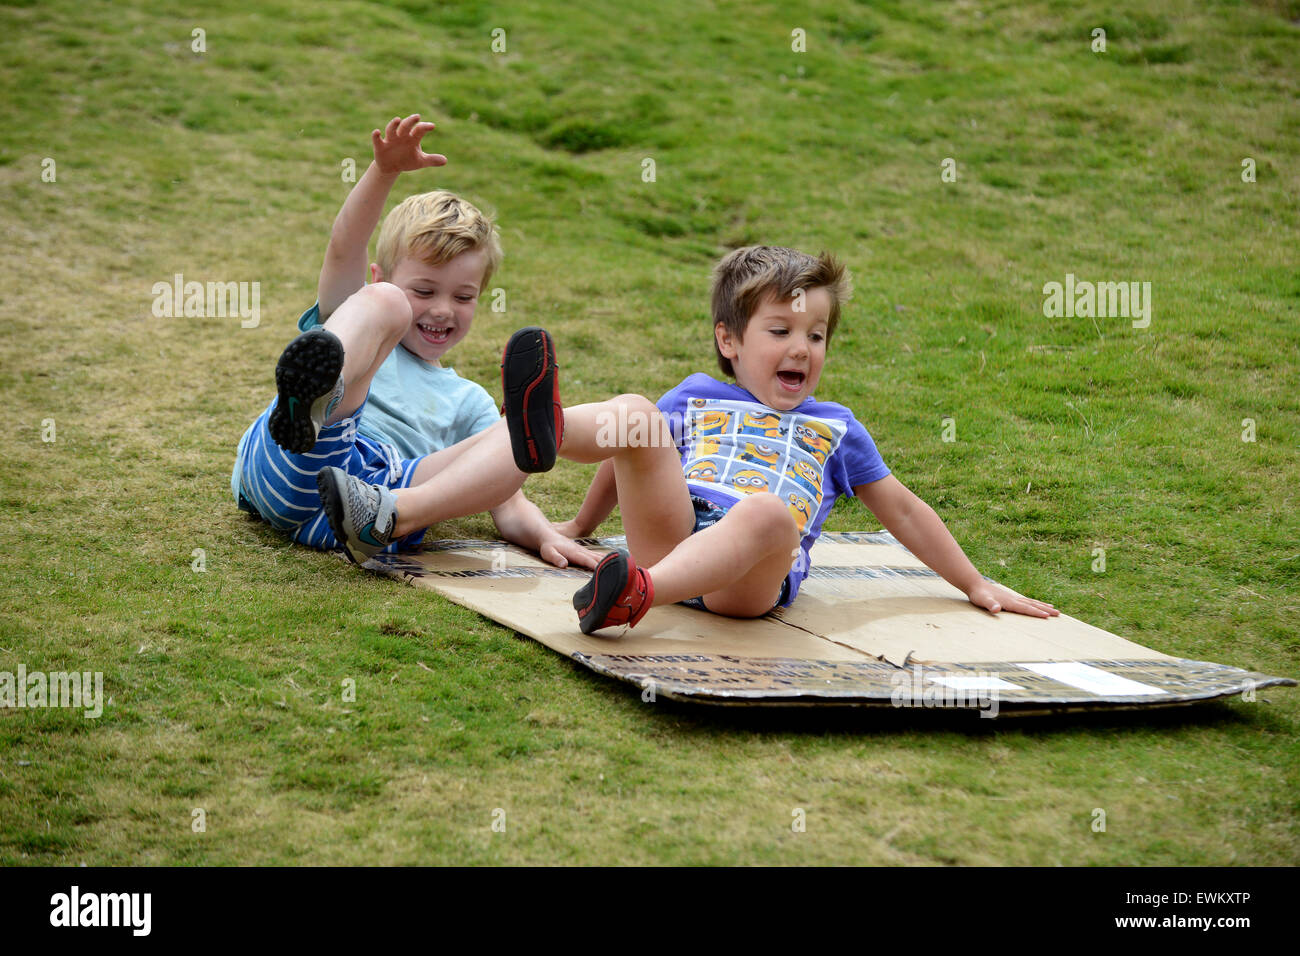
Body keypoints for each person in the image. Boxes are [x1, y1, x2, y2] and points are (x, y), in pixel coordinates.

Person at [314, 245, 1059, 635]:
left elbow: (902, 509)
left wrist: (973, 582)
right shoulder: (697, 397)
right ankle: (544, 430)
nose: (802, 348)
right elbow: (628, 465)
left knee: (768, 512)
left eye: (817, 335)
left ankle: (635, 594)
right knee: (637, 414)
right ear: (729, 340)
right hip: (673, 535)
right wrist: (580, 525)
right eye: (781, 331)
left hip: (745, 581)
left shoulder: (838, 429)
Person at [231, 113, 595, 571]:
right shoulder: (360, 318)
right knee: (385, 306)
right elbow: (345, 246)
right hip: (302, 452)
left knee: (514, 434)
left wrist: (543, 534)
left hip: (366, 510)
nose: (442, 309)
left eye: (463, 297)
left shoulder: (469, 402)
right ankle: (318, 397)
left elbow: (507, 501)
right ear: (379, 274)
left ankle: (391, 504)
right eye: (423, 291)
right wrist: (384, 172)